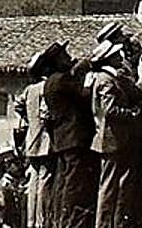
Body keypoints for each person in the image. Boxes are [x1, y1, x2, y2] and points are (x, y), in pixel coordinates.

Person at [89, 33, 142, 228]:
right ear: (109, 59)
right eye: (116, 55)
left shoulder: (107, 78)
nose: (120, 57)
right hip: (112, 139)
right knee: (109, 186)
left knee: (114, 184)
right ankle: (105, 224)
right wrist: (131, 114)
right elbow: (109, 109)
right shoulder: (107, 80)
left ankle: (113, 223)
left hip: (114, 138)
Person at [44, 43, 98, 228]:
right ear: (58, 60)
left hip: (63, 138)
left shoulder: (50, 81)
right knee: (74, 184)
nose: (68, 57)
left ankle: (61, 219)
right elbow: (83, 96)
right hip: (74, 136)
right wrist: (87, 79)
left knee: (65, 181)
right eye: (64, 55)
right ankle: (70, 222)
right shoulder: (62, 79)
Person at [18, 44, 59, 228]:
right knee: (45, 180)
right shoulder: (46, 87)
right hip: (45, 140)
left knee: (33, 182)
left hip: (31, 140)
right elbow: (46, 113)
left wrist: (29, 119)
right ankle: (42, 222)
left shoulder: (29, 89)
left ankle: (31, 221)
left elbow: (17, 106)